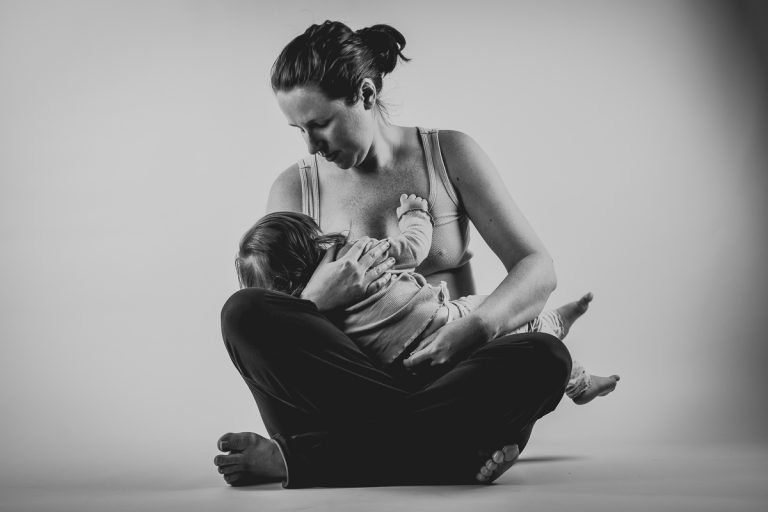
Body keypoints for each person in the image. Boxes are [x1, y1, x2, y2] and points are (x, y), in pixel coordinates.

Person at [214, 20, 590, 487]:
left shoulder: (448, 154)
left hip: (450, 378)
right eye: (299, 129)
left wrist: (474, 329)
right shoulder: (293, 188)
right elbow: (283, 329)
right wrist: (315, 302)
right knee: (244, 312)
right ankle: (449, 452)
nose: (311, 145)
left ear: (366, 94)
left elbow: (538, 268)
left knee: (546, 357)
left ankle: (310, 459)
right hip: (346, 397)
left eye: (320, 124)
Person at [234, 196, 619, 403]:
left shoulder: (309, 322)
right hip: (443, 319)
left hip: (406, 370)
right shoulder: (357, 253)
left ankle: (562, 344)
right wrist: (415, 214)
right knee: (521, 327)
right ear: (314, 238)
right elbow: (414, 247)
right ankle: (563, 342)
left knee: (515, 343)